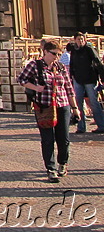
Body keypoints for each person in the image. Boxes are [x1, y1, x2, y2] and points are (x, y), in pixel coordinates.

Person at [17, 40, 78, 182]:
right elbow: (21, 79)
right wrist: (35, 87)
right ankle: (51, 168)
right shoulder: (35, 65)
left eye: (59, 54)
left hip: (62, 105)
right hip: (44, 106)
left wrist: (75, 108)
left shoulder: (61, 66)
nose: (56, 57)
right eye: (54, 54)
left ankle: (63, 163)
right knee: (47, 139)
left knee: (63, 138)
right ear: (45, 52)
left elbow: (69, 87)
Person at [67, 32, 104, 134]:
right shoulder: (74, 50)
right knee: (78, 103)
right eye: (79, 39)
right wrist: (72, 75)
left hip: (90, 79)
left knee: (94, 103)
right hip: (78, 79)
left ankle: (101, 125)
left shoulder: (89, 49)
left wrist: (102, 77)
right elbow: (72, 63)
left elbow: (97, 62)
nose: (81, 41)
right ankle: (81, 127)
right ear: (75, 40)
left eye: (82, 39)